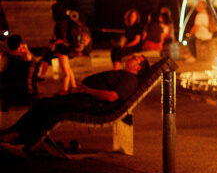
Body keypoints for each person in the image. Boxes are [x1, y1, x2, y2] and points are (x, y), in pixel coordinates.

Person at [0, 55, 151, 151]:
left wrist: (86, 91)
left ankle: (18, 135)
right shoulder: (125, 75)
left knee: (47, 106)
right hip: (86, 98)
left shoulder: (130, 80)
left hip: (94, 105)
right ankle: (16, 132)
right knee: (46, 103)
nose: (129, 58)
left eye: (134, 58)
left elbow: (112, 97)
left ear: (138, 67)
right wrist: (78, 91)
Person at [38, 3, 77, 93]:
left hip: (62, 49)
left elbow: (62, 38)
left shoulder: (61, 23)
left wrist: (52, 44)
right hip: (67, 48)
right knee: (68, 69)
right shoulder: (67, 20)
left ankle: (65, 89)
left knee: (65, 72)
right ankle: (74, 86)